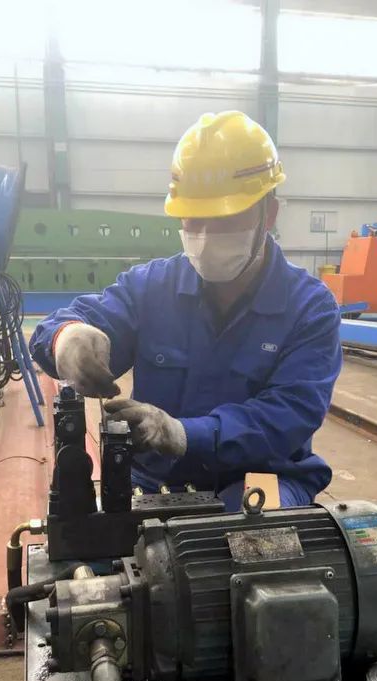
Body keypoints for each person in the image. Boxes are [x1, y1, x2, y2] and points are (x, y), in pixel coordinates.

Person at [30, 110, 342, 510]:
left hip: (264, 475)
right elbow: (71, 324)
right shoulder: (151, 287)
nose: (206, 237)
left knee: (246, 535)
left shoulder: (309, 309)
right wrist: (66, 338)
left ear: (269, 214)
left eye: (225, 219)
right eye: (195, 221)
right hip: (157, 480)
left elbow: (287, 416)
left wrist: (182, 434)